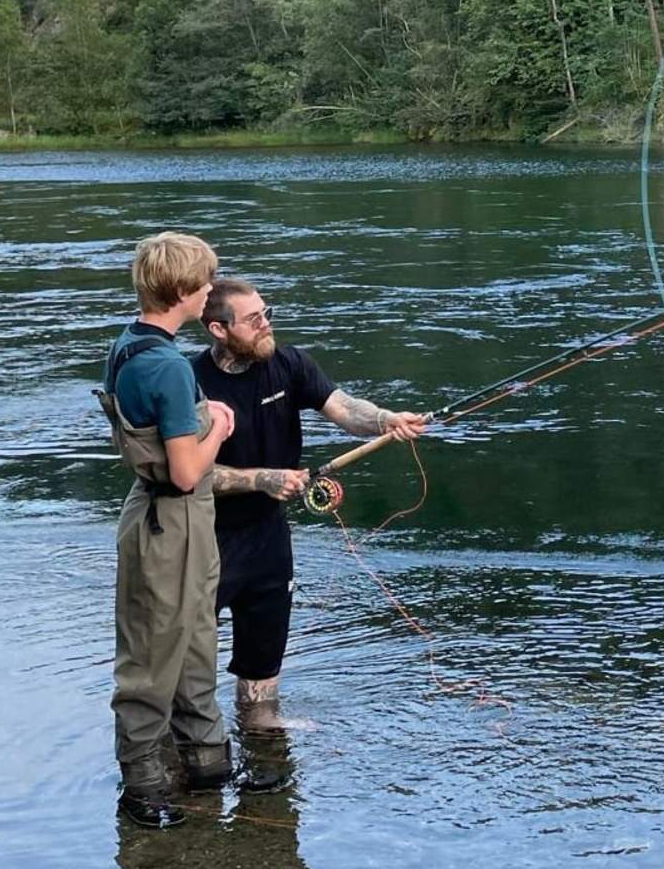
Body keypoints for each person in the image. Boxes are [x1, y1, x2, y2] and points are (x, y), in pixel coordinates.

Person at [191, 278, 427, 762]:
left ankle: (260, 735)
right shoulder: (193, 384)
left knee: (264, 646)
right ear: (218, 328)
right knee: (188, 652)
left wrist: (386, 420)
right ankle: (193, 745)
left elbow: (343, 408)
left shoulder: (289, 363)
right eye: (253, 319)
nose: (266, 325)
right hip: (204, 536)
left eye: (267, 313)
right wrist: (261, 479)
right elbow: (190, 472)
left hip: (268, 536)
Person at [95, 232, 236, 829]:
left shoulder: (129, 344)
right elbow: (184, 473)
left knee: (196, 634)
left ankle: (205, 763)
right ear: (180, 291)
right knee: (154, 652)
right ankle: (144, 783)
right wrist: (219, 429)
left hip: (161, 517)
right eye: (205, 282)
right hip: (169, 520)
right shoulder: (169, 368)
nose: (211, 291)